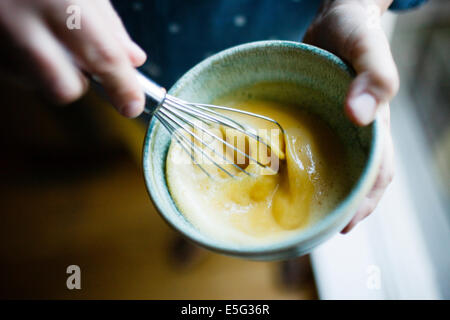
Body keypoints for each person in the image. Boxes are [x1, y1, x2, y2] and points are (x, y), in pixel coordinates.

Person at [0, 0, 426, 233]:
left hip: (299, 38)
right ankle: (199, 240)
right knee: (135, 138)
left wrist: (358, 6)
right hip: (134, 78)